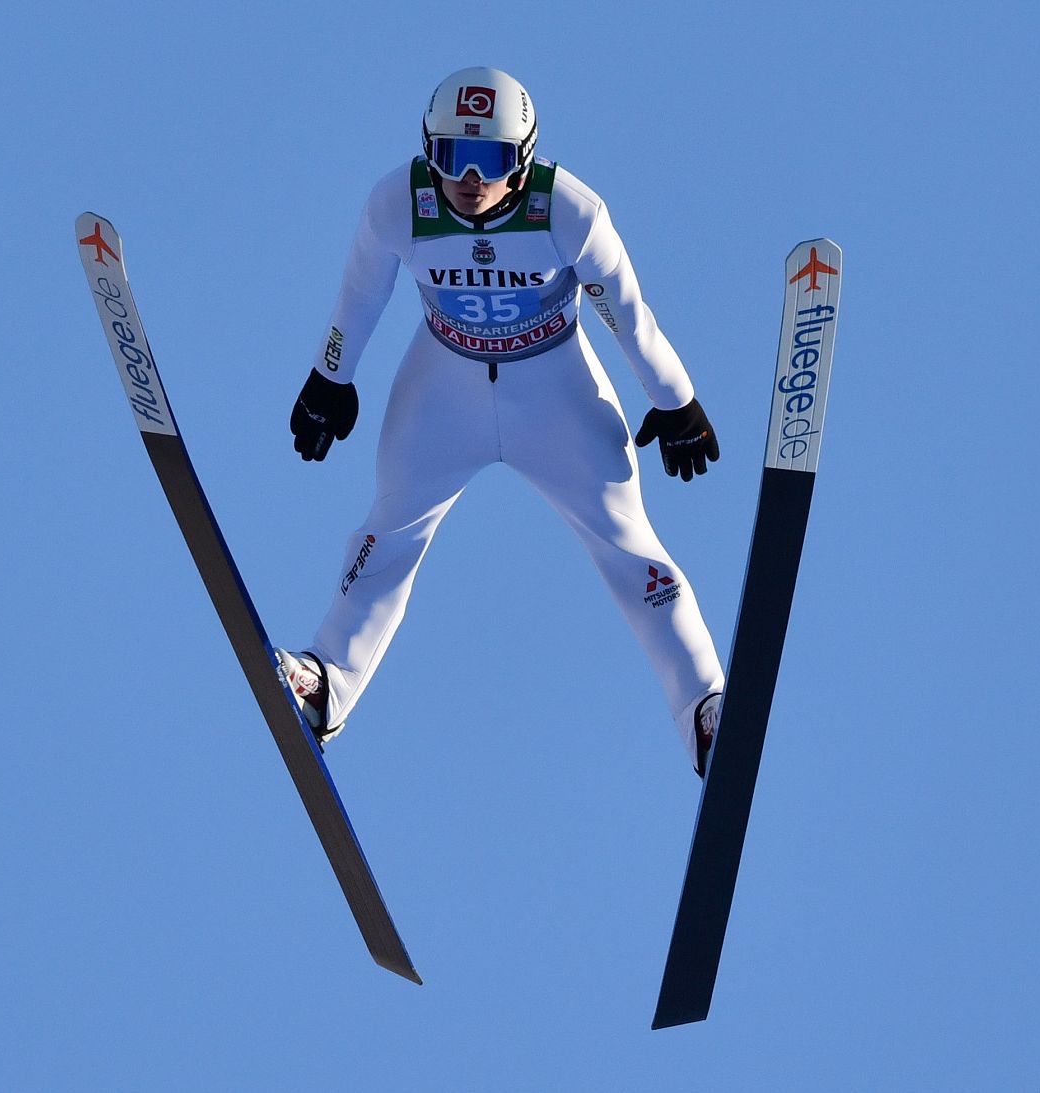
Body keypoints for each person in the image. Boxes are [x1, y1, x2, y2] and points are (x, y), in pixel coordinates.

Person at [280, 66, 726, 775]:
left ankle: (705, 708)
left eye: (489, 160)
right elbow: (360, 294)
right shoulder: (400, 203)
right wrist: (329, 376)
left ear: (523, 159)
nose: (469, 179)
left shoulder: (569, 211)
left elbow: (628, 316)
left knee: (629, 544)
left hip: (556, 392)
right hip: (442, 388)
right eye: (452, 157)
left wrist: (674, 399)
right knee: (387, 529)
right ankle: (323, 684)